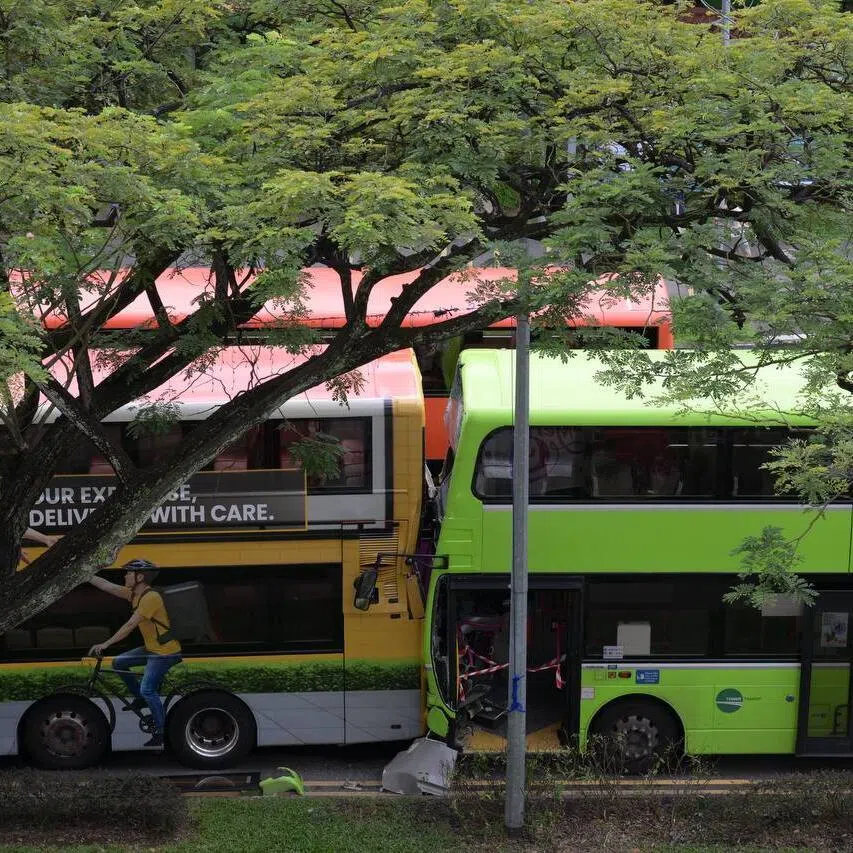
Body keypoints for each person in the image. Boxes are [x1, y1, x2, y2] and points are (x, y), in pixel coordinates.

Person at [87, 559, 182, 747]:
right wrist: (86, 576)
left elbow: (130, 625)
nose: (125, 576)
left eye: (128, 573)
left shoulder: (150, 598)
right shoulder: (134, 595)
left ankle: (161, 732)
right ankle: (140, 699)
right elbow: (107, 586)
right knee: (119, 663)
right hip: (151, 649)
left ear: (140, 577)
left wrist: (106, 643)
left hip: (165, 652)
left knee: (148, 689)